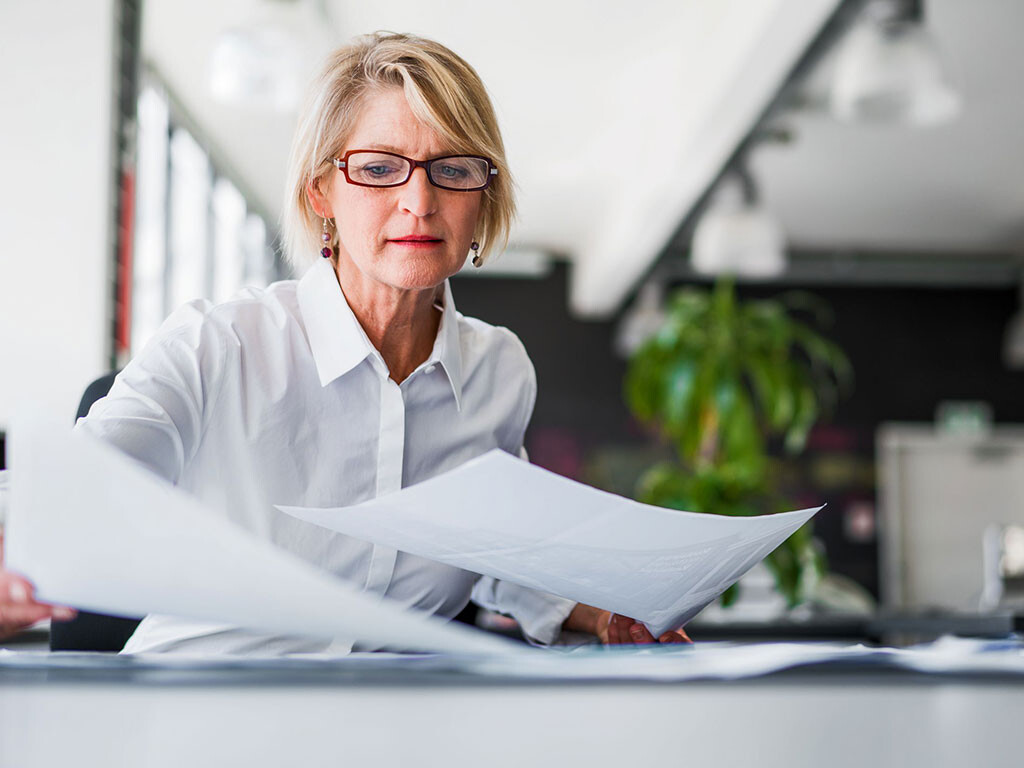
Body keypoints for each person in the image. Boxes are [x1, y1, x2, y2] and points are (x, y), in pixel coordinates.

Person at [0, 32, 689, 651]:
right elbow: (66, 489)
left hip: (394, 725)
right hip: (206, 712)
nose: (419, 203)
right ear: (321, 192)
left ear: (483, 194)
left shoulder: (497, 372)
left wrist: (597, 612)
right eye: (381, 168)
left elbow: (488, 550)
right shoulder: (219, 347)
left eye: (452, 169)